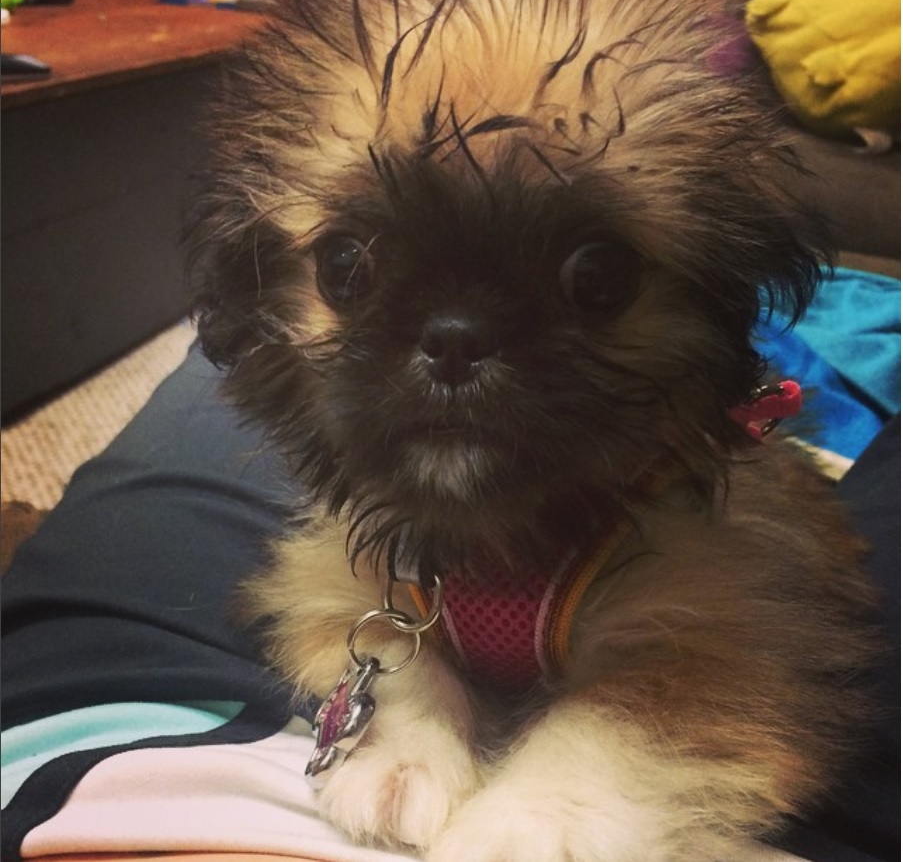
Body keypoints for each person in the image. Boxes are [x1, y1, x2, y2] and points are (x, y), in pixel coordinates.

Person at [2, 332, 899, 862]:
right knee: (236, 360)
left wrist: (568, 795)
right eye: (352, 267)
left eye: (593, 275)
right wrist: (418, 704)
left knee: (216, 369)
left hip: (124, 769)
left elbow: (763, 675)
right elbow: (313, 605)